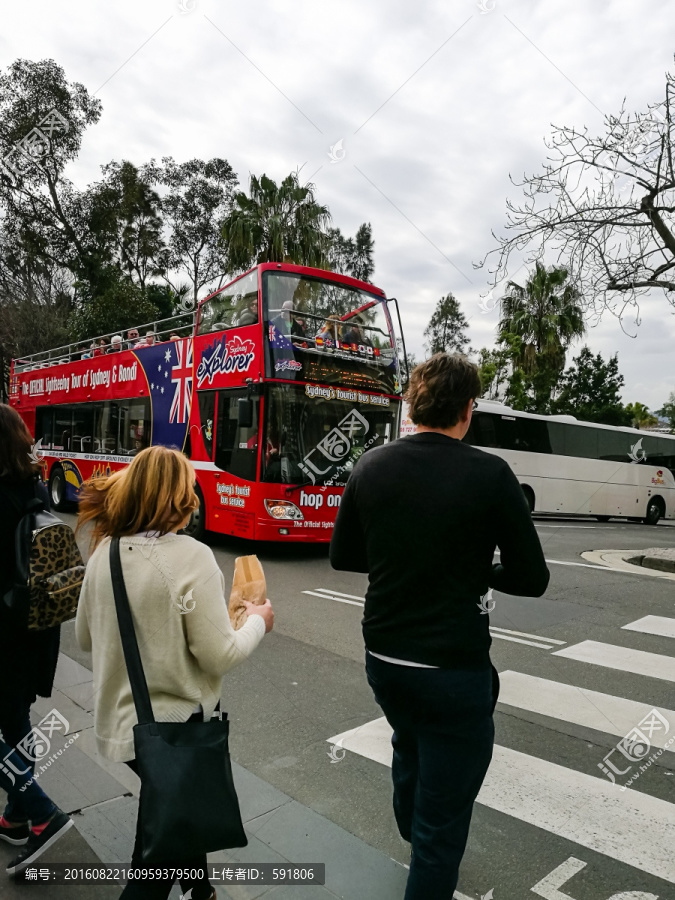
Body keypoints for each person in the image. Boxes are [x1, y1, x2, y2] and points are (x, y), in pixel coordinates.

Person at [329, 353, 550, 899]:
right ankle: (425, 837)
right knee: (441, 835)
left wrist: (399, 558)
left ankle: (412, 820)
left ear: (413, 405)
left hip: (384, 659)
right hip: (454, 669)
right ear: (467, 410)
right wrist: (481, 570)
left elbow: (343, 557)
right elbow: (533, 577)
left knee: (409, 738)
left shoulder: (371, 465)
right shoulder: (491, 474)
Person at [75, 446, 274, 900]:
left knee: (179, 806)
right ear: (180, 497)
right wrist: (260, 620)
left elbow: (88, 637)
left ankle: (201, 890)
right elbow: (220, 655)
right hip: (171, 729)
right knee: (152, 865)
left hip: (124, 728)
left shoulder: (105, 550)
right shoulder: (192, 556)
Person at [0, 405, 74, 876]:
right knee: (13, 717)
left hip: (5, 627)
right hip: (37, 626)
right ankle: (16, 815)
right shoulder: (33, 482)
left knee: (8, 718)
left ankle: (42, 813)